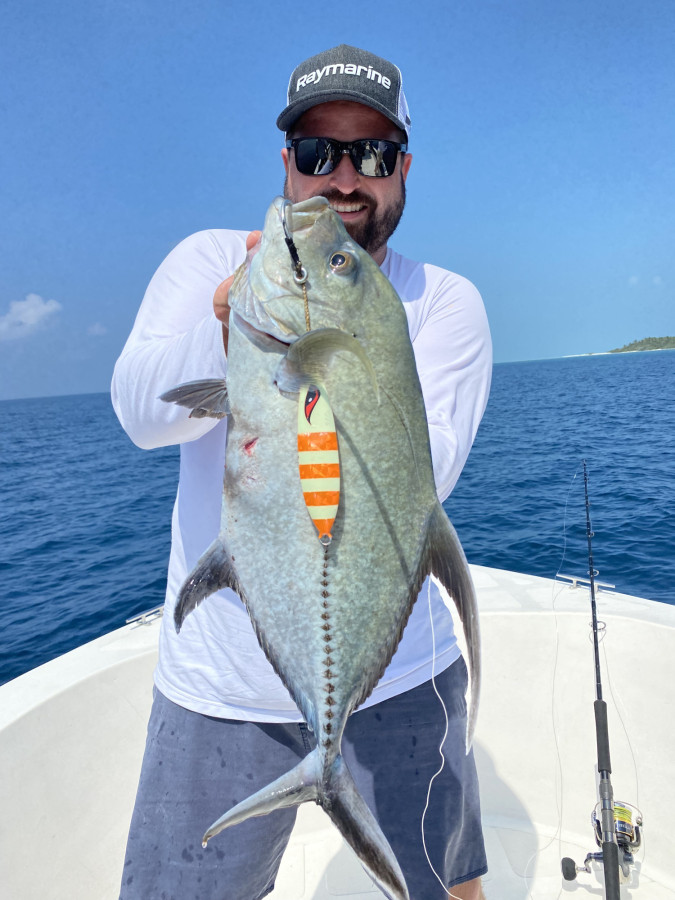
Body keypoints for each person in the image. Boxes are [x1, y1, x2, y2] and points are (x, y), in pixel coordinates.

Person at [113, 44, 491, 900]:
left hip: (400, 667)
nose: (343, 179)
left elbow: (425, 480)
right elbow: (140, 415)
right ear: (286, 162)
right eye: (319, 153)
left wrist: (336, 359)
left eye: (372, 154)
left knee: (445, 888)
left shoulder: (443, 302)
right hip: (219, 684)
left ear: (402, 168)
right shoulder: (209, 264)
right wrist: (234, 330)